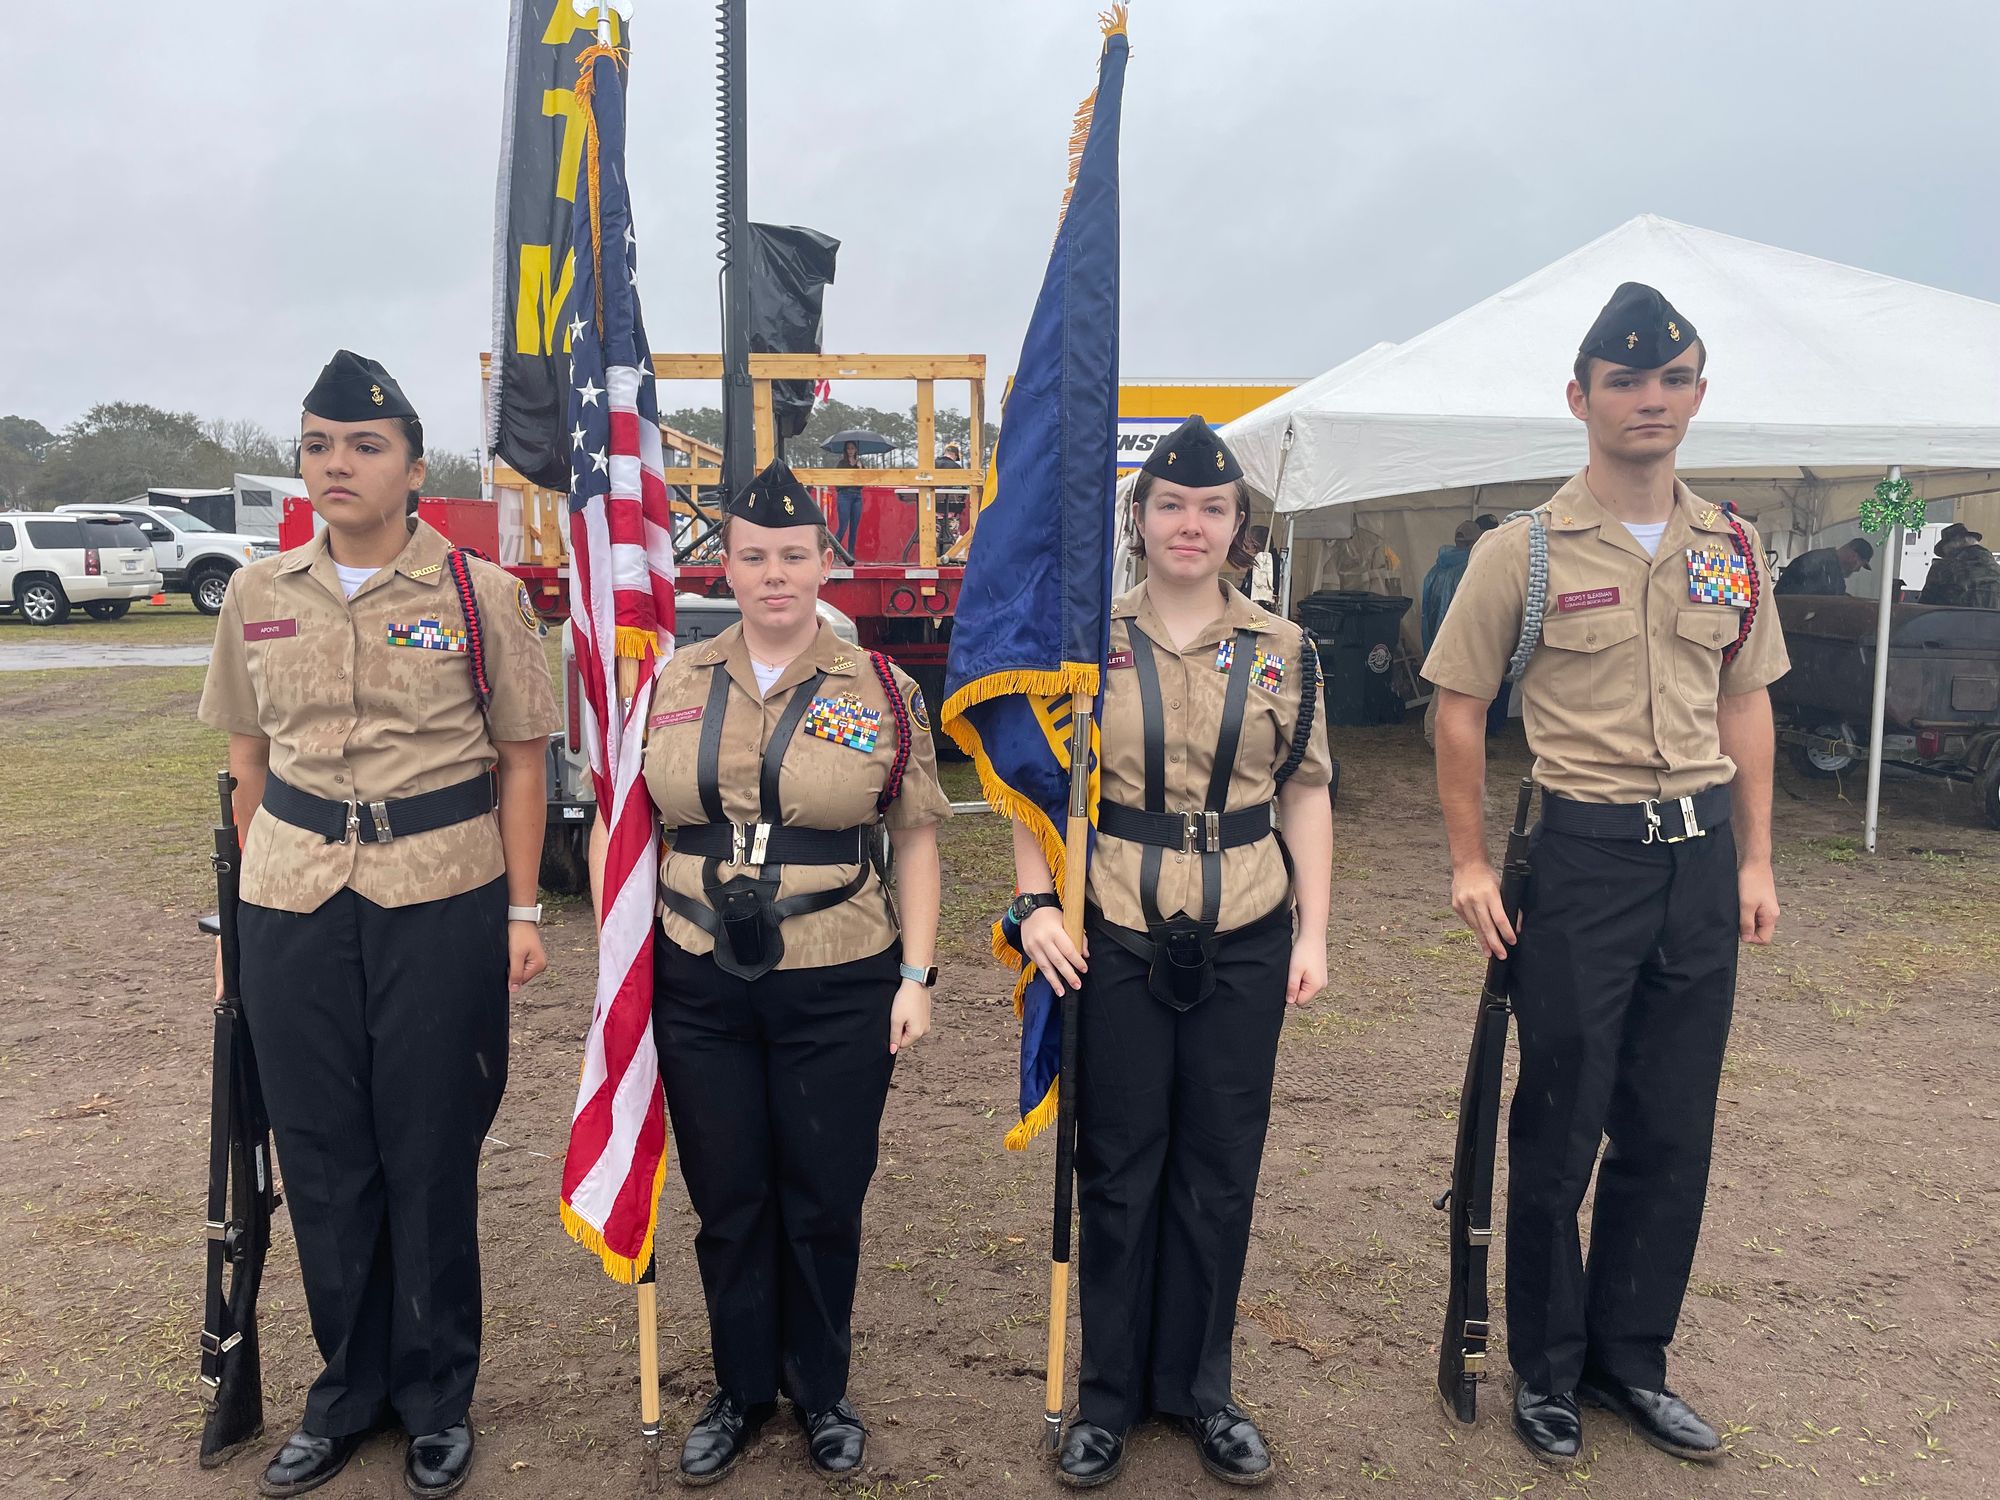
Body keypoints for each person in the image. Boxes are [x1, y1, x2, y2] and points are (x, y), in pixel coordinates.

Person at [1421, 285, 1788, 1470]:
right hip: (1582, 861)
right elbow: (1458, 709)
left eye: (1671, 379)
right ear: (1578, 398)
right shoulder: (1520, 552)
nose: (1649, 399)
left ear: (1697, 394)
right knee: (1559, 1122)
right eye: (1624, 381)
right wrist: (1469, 861)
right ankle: (1545, 1367)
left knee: (1670, 1127)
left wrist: (1754, 858)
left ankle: (1629, 1361)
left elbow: (1744, 701)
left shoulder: (1730, 549)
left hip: (1698, 864)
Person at [197, 351, 560, 1498]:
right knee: (319, 1155)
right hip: (293, 899)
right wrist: (240, 930)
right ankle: (348, 1392)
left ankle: (436, 1393)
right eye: (317, 446)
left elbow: (521, 764)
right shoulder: (257, 594)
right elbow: (247, 767)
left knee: (428, 1148)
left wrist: (521, 907)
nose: (336, 464)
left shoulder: (479, 595)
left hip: (439, 895)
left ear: (412, 467)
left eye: (363, 445)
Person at [608, 459, 950, 1486]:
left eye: (793, 556)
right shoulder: (670, 683)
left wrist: (917, 976)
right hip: (697, 976)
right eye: (753, 556)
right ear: (725, 564)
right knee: (728, 1197)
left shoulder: (883, 689)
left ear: (822, 566)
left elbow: (916, 840)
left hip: (840, 974)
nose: (773, 575)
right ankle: (741, 1390)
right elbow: (629, 830)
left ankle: (820, 1391)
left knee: (822, 1194)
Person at [1010, 416, 1334, 1489]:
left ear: (1240, 526)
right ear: (1138, 519)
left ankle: (1201, 1390)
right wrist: (1033, 904)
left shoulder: (1287, 651)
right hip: (1113, 935)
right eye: (1170, 505)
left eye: (1212, 508)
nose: (1190, 524)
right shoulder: (1081, 646)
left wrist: (1314, 931)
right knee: (1117, 1166)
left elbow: (1305, 794)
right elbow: (1035, 784)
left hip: (1246, 935)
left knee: (1218, 1169)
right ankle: (1107, 1397)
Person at [1919, 522, 2000, 607]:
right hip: (1994, 615)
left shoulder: (1942, 567)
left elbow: (1925, 604)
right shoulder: (1994, 567)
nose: (1945, 554)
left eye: (1946, 550)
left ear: (1955, 543)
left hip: (1955, 614)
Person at [1774, 536, 1872, 596]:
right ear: (1853, 556)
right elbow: (1817, 599)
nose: (1857, 570)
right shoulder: (1820, 564)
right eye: (1860, 564)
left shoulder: (1829, 566)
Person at [832, 438, 865, 559]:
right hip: (844, 495)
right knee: (843, 526)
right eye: (848, 448)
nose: (850, 451)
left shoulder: (860, 464)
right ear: (845, 450)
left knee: (854, 527)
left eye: (852, 448)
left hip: (857, 496)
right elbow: (837, 482)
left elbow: (863, 482)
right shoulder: (841, 464)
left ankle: (851, 554)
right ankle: (834, 550)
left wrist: (860, 468)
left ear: (856, 450)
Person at [1239, 523, 1277, 606]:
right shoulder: (1260, 564)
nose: (1243, 550)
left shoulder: (1265, 567)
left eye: (1246, 546)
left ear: (1255, 547)